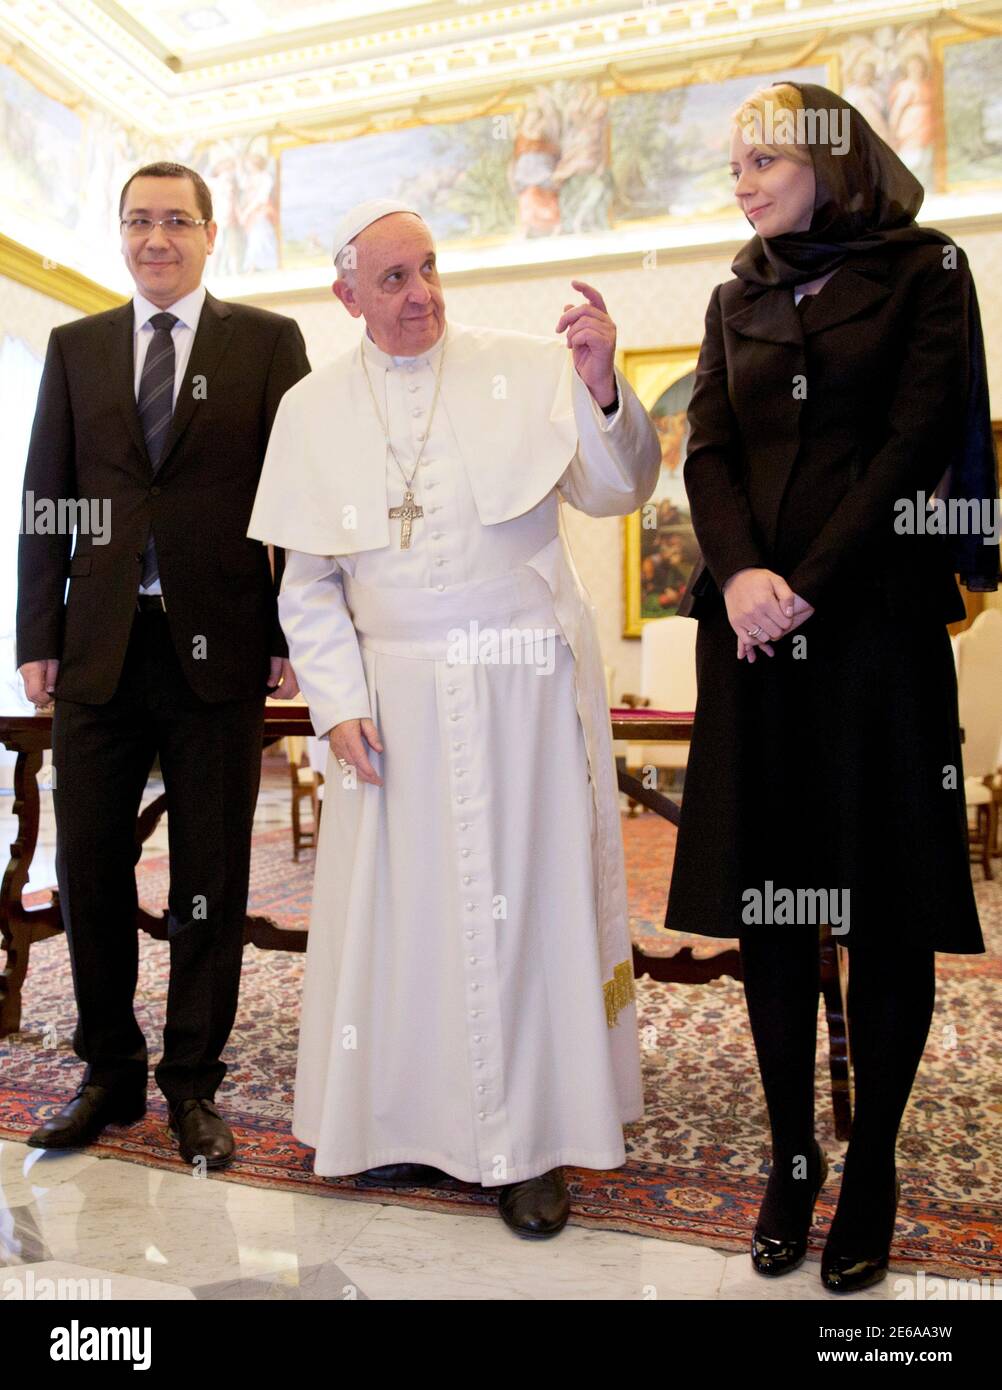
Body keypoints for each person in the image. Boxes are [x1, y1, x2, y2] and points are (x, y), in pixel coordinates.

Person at [247, 198, 661, 1237]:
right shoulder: (309, 409)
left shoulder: (525, 366)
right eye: (392, 278)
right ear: (347, 295)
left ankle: (530, 1146)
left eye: (430, 268)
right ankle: (402, 1123)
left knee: (523, 912)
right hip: (390, 701)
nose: (422, 293)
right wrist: (335, 703)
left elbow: (618, 490)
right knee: (404, 919)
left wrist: (604, 386)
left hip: (519, 687)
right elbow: (306, 587)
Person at [667, 83, 998, 1292]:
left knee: (884, 907)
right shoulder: (733, 294)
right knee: (774, 904)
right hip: (754, 641)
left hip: (874, 633)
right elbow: (705, 445)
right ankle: (795, 1154)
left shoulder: (926, 271)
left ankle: (876, 1166)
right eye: (734, 162)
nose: (743, 180)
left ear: (830, 160)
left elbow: (920, 441)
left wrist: (807, 579)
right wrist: (744, 573)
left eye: (764, 158)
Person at [17, 161, 310, 1167]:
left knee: (208, 878)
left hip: (216, 647)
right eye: (137, 220)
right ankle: (106, 1074)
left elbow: (299, 502)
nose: (155, 238)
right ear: (122, 232)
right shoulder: (75, 347)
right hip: (97, 647)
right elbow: (45, 499)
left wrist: (286, 630)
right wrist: (34, 635)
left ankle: (193, 1085)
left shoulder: (268, 344)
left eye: (174, 221)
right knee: (89, 870)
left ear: (210, 231)